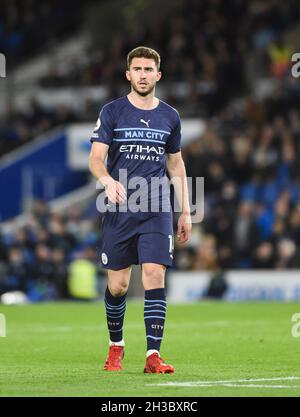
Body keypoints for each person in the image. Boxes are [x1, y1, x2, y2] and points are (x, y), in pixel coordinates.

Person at [89, 46, 191, 373]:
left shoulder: (170, 117)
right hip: (120, 207)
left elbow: (175, 165)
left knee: (153, 273)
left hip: (156, 206)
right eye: (138, 69)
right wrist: (106, 180)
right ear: (128, 74)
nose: (143, 75)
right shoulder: (112, 112)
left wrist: (186, 210)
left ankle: (152, 356)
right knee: (117, 285)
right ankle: (116, 346)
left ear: (158, 75)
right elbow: (95, 158)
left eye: (149, 69)